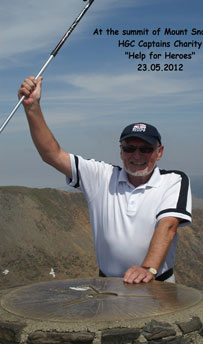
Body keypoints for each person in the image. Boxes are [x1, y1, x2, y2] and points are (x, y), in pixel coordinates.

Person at [18, 76, 192, 284]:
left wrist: (147, 269)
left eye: (146, 149)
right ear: (121, 151)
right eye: (129, 148)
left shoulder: (173, 180)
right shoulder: (101, 176)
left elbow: (168, 226)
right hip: (108, 285)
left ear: (159, 152)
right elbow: (52, 155)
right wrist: (32, 108)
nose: (137, 156)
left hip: (156, 283)